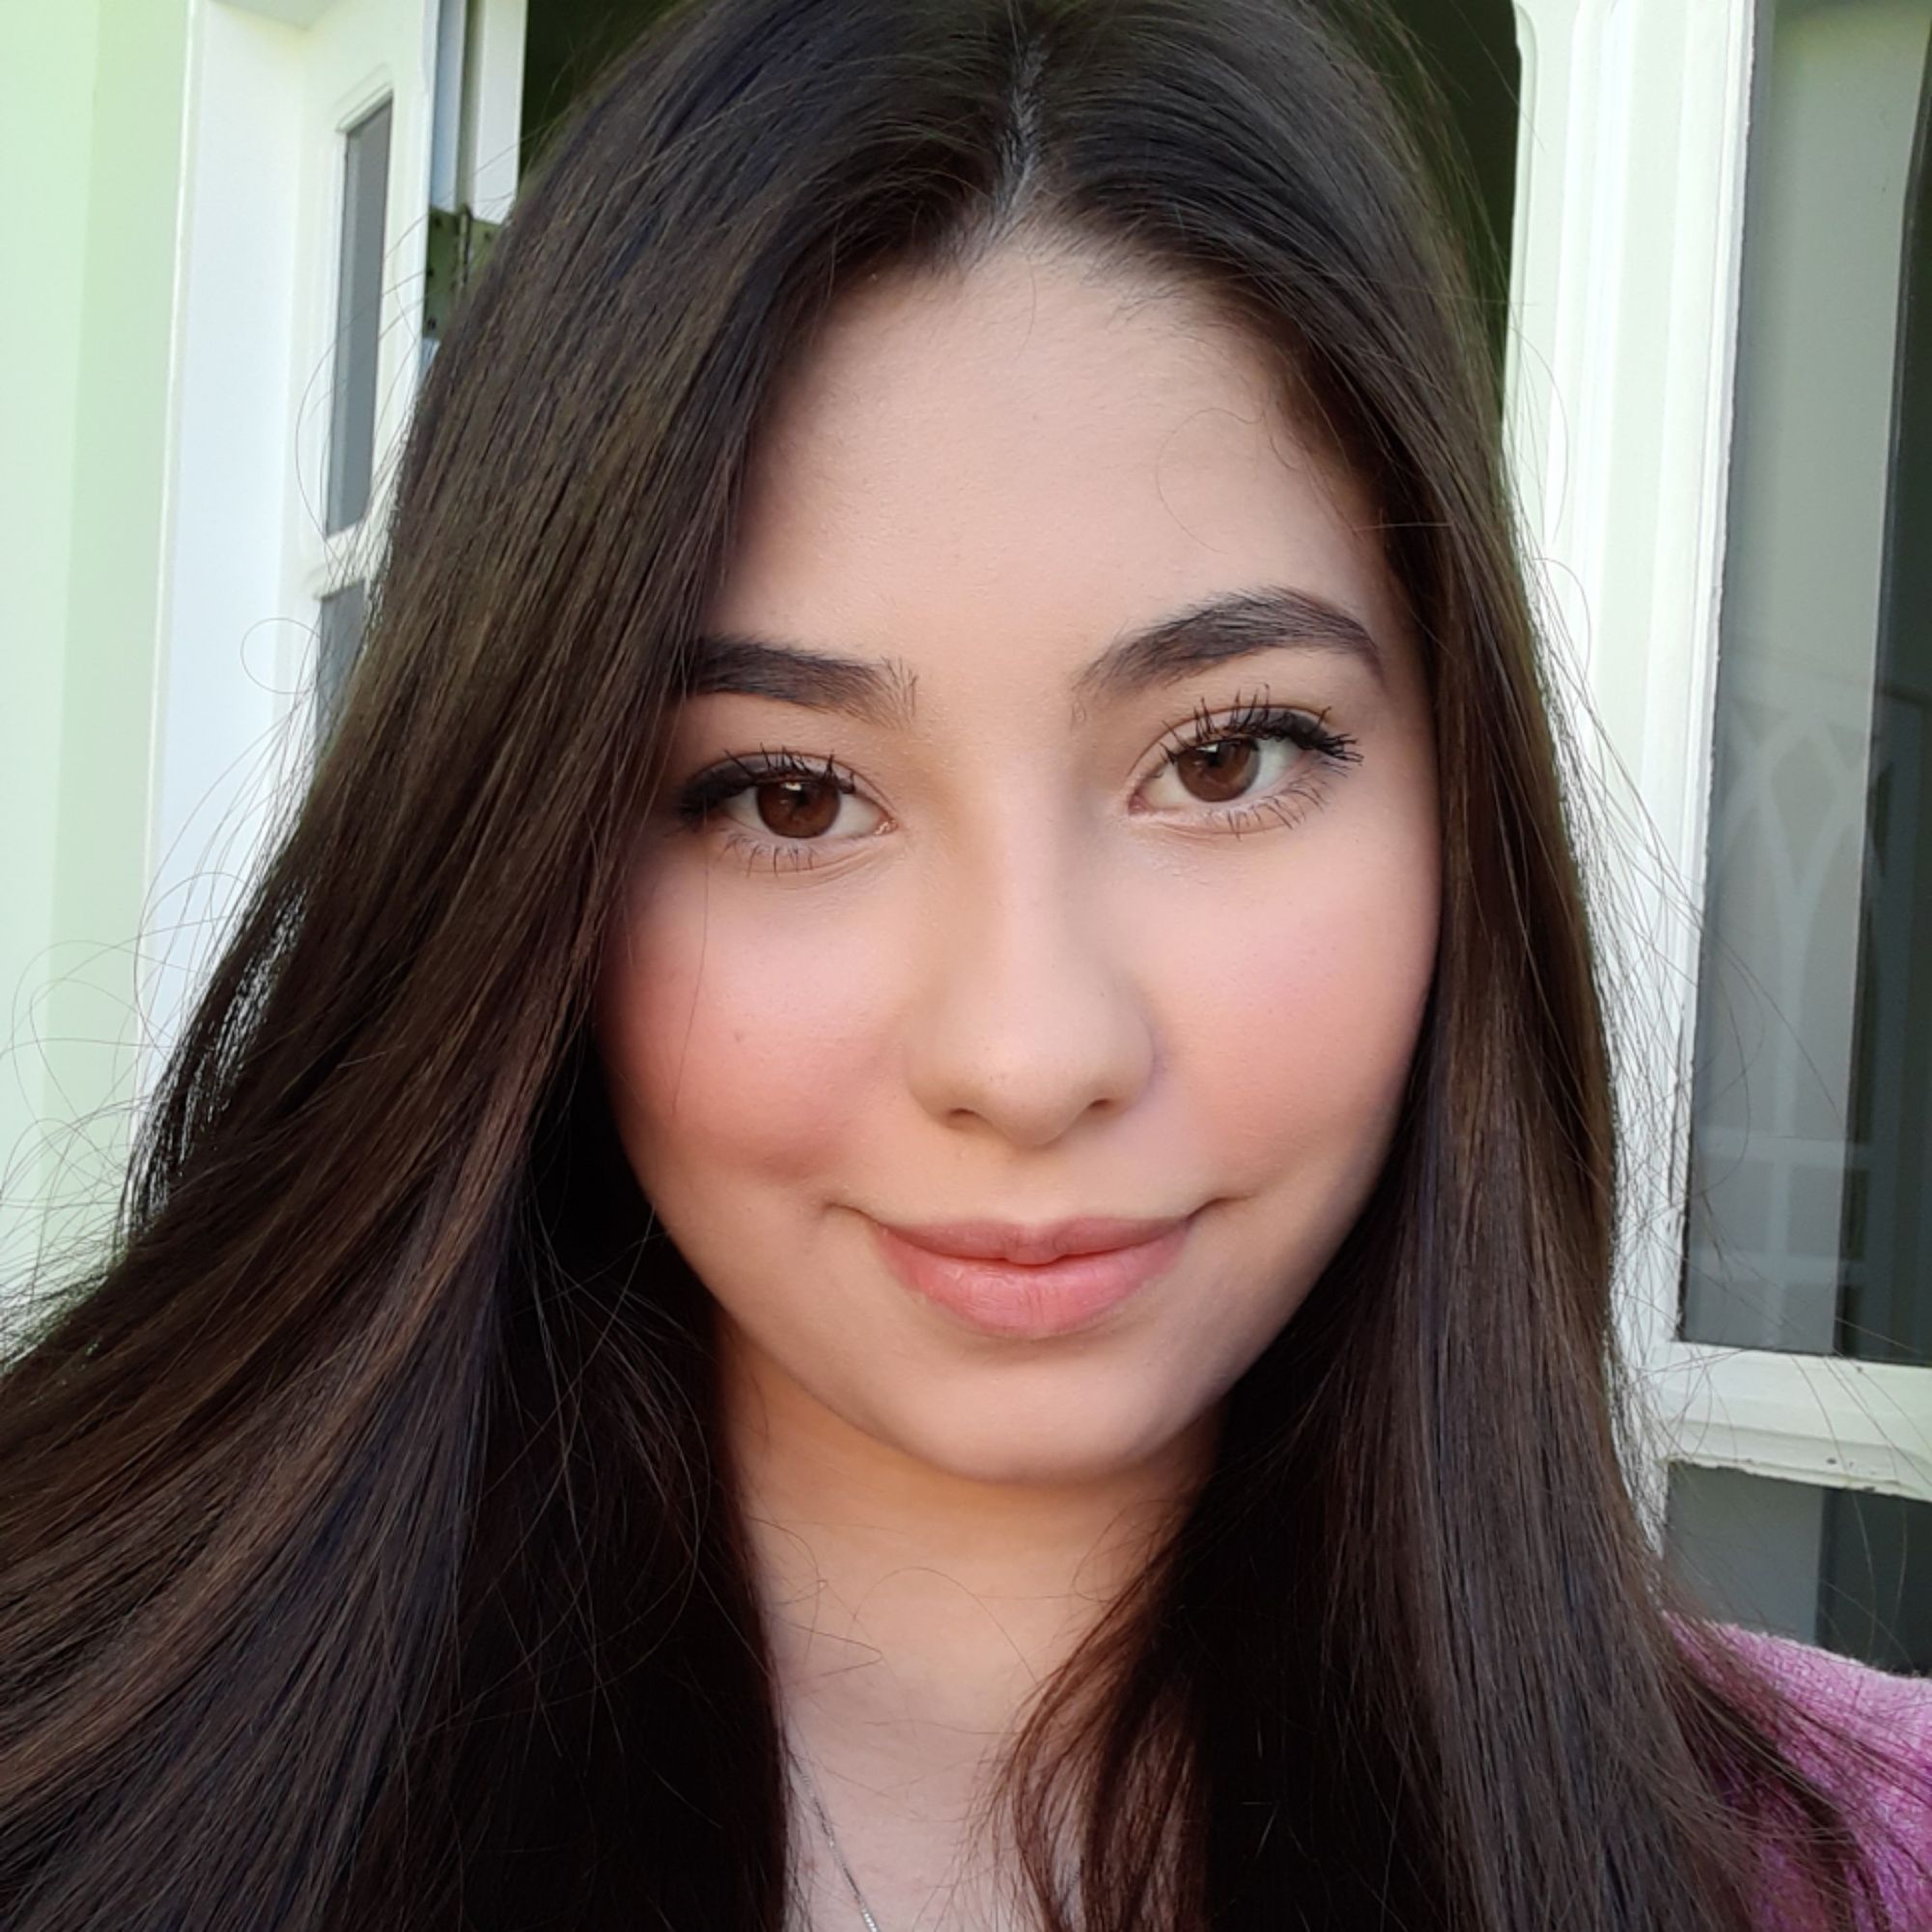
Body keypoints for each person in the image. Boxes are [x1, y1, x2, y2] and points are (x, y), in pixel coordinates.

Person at [0, 0, 1925, 1926]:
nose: (1025, 1051)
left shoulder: (1855, 1863)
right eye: (784, 794)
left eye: (1223, 758)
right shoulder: (76, 1774)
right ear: (525, 858)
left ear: (1456, 797)